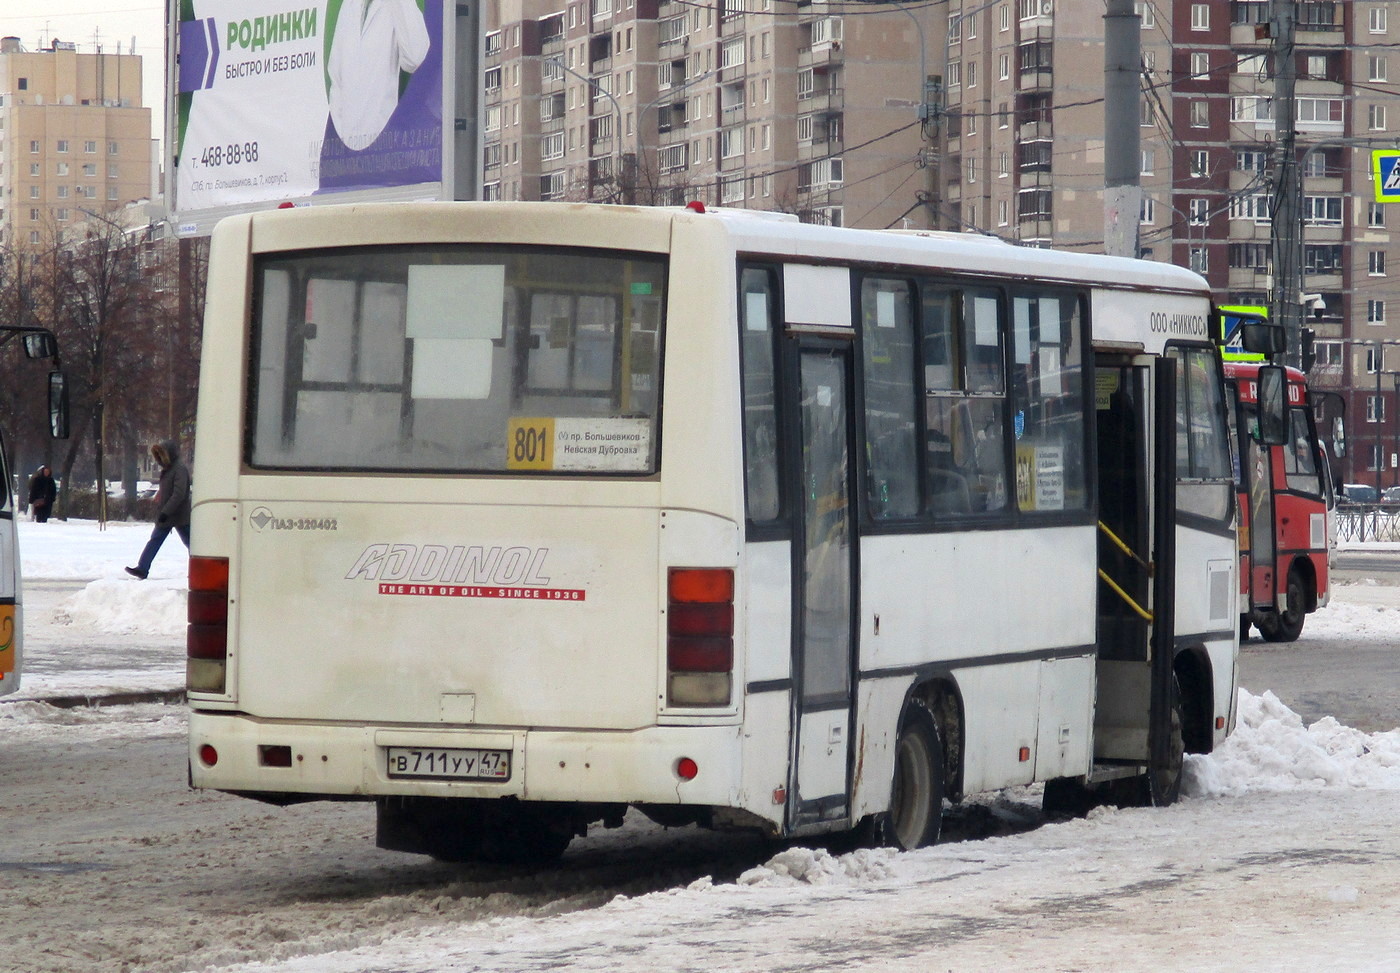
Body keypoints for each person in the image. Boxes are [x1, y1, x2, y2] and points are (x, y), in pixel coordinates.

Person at [125, 440, 191, 580]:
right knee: (156, 540)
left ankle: (199, 570)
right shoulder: (169, 469)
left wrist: (166, 511)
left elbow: (178, 494)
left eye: (162, 455)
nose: (160, 459)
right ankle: (142, 568)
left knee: (192, 544)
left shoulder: (179, 469)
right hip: (169, 514)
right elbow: (167, 491)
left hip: (179, 514)